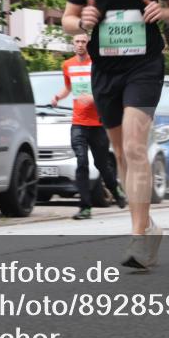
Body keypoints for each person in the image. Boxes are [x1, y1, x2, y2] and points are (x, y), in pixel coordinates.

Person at [62, 0, 169, 270]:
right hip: (105, 71)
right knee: (120, 155)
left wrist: (162, 11)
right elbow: (68, 18)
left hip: (144, 67)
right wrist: (81, 23)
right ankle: (147, 225)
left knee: (135, 147)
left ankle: (138, 240)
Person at [51, 34, 127, 219]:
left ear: (88, 44)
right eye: (77, 41)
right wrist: (58, 97)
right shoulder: (68, 65)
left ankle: (115, 190)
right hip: (78, 123)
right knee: (81, 163)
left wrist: (94, 98)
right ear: (73, 44)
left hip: (97, 123)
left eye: (83, 42)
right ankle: (85, 207)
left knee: (101, 164)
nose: (80, 45)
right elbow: (68, 87)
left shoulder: (97, 64)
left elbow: (108, 89)